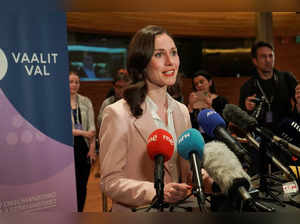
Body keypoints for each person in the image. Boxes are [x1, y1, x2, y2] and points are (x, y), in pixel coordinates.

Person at [99, 25, 213, 211]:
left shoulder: (182, 111)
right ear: (142, 63)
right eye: (159, 55)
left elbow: (187, 170)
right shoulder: (117, 114)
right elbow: (110, 182)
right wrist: (157, 191)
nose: (170, 62)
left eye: (174, 53)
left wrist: (211, 181)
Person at [239, 41, 300, 131]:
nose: (268, 60)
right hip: (262, 133)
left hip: (287, 128)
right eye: (263, 57)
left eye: (270, 56)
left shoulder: (286, 78)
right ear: (255, 61)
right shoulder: (248, 86)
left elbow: (298, 106)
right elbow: (241, 119)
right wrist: (247, 109)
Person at [69, 70, 96, 212]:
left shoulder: (86, 101)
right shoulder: (59, 102)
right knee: (69, 186)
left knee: (82, 185)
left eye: (77, 82)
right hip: (68, 149)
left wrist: (92, 149)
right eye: (71, 82)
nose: (74, 85)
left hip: (84, 148)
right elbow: (65, 129)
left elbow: (92, 128)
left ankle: (80, 212)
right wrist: (84, 133)